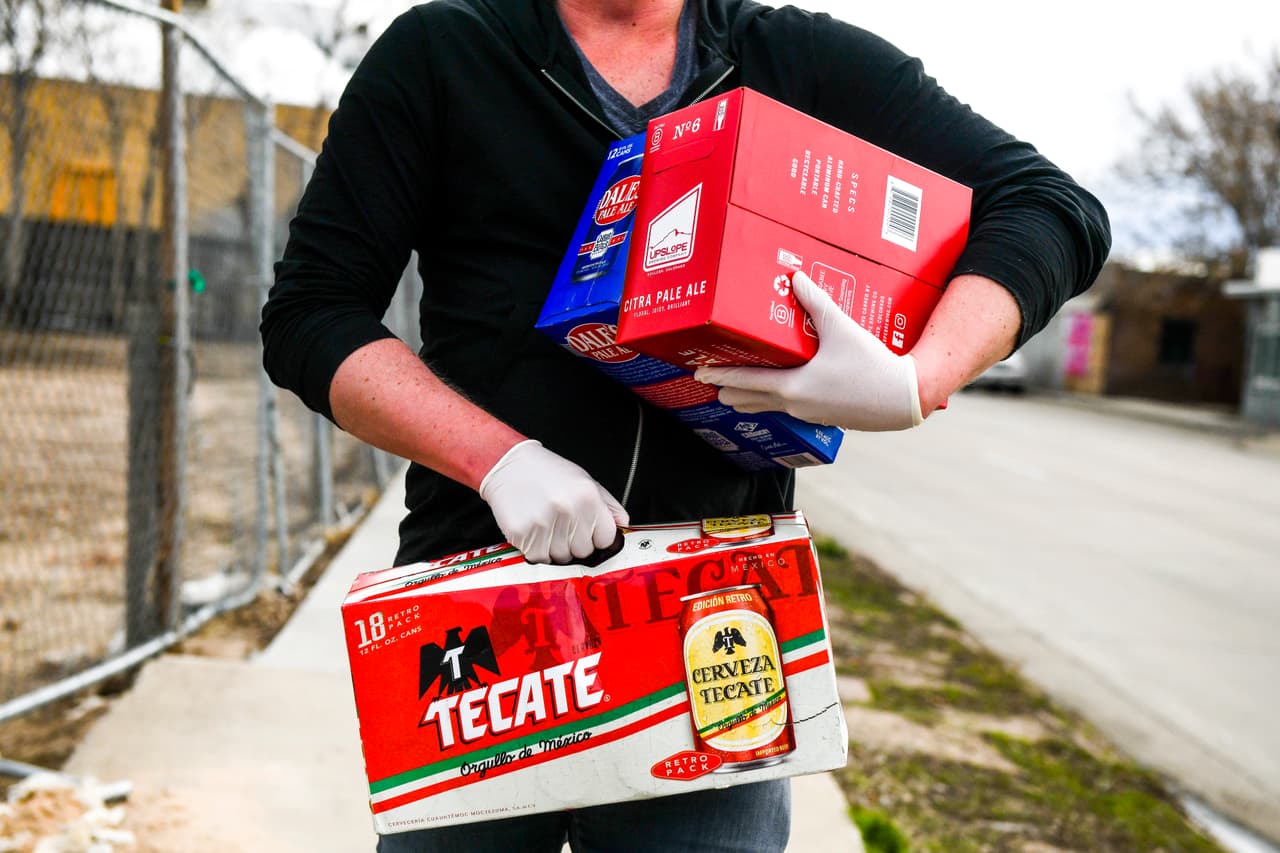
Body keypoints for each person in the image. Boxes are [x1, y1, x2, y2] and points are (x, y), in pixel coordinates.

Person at [260, 0, 1111, 849]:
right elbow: (311, 315)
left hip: (717, 625)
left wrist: (916, 379)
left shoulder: (795, 61)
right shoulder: (448, 51)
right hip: (479, 617)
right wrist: (499, 459)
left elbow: (1050, 206)